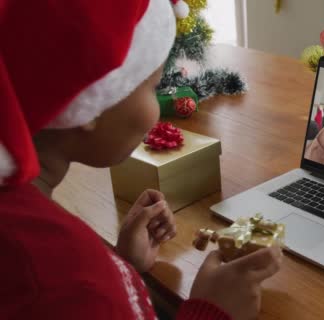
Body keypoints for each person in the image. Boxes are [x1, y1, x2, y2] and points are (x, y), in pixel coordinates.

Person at [0, 1, 281, 319]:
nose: (157, 110)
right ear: (92, 95)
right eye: (153, 87)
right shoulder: (69, 282)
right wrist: (212, 311)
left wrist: (121, 265)